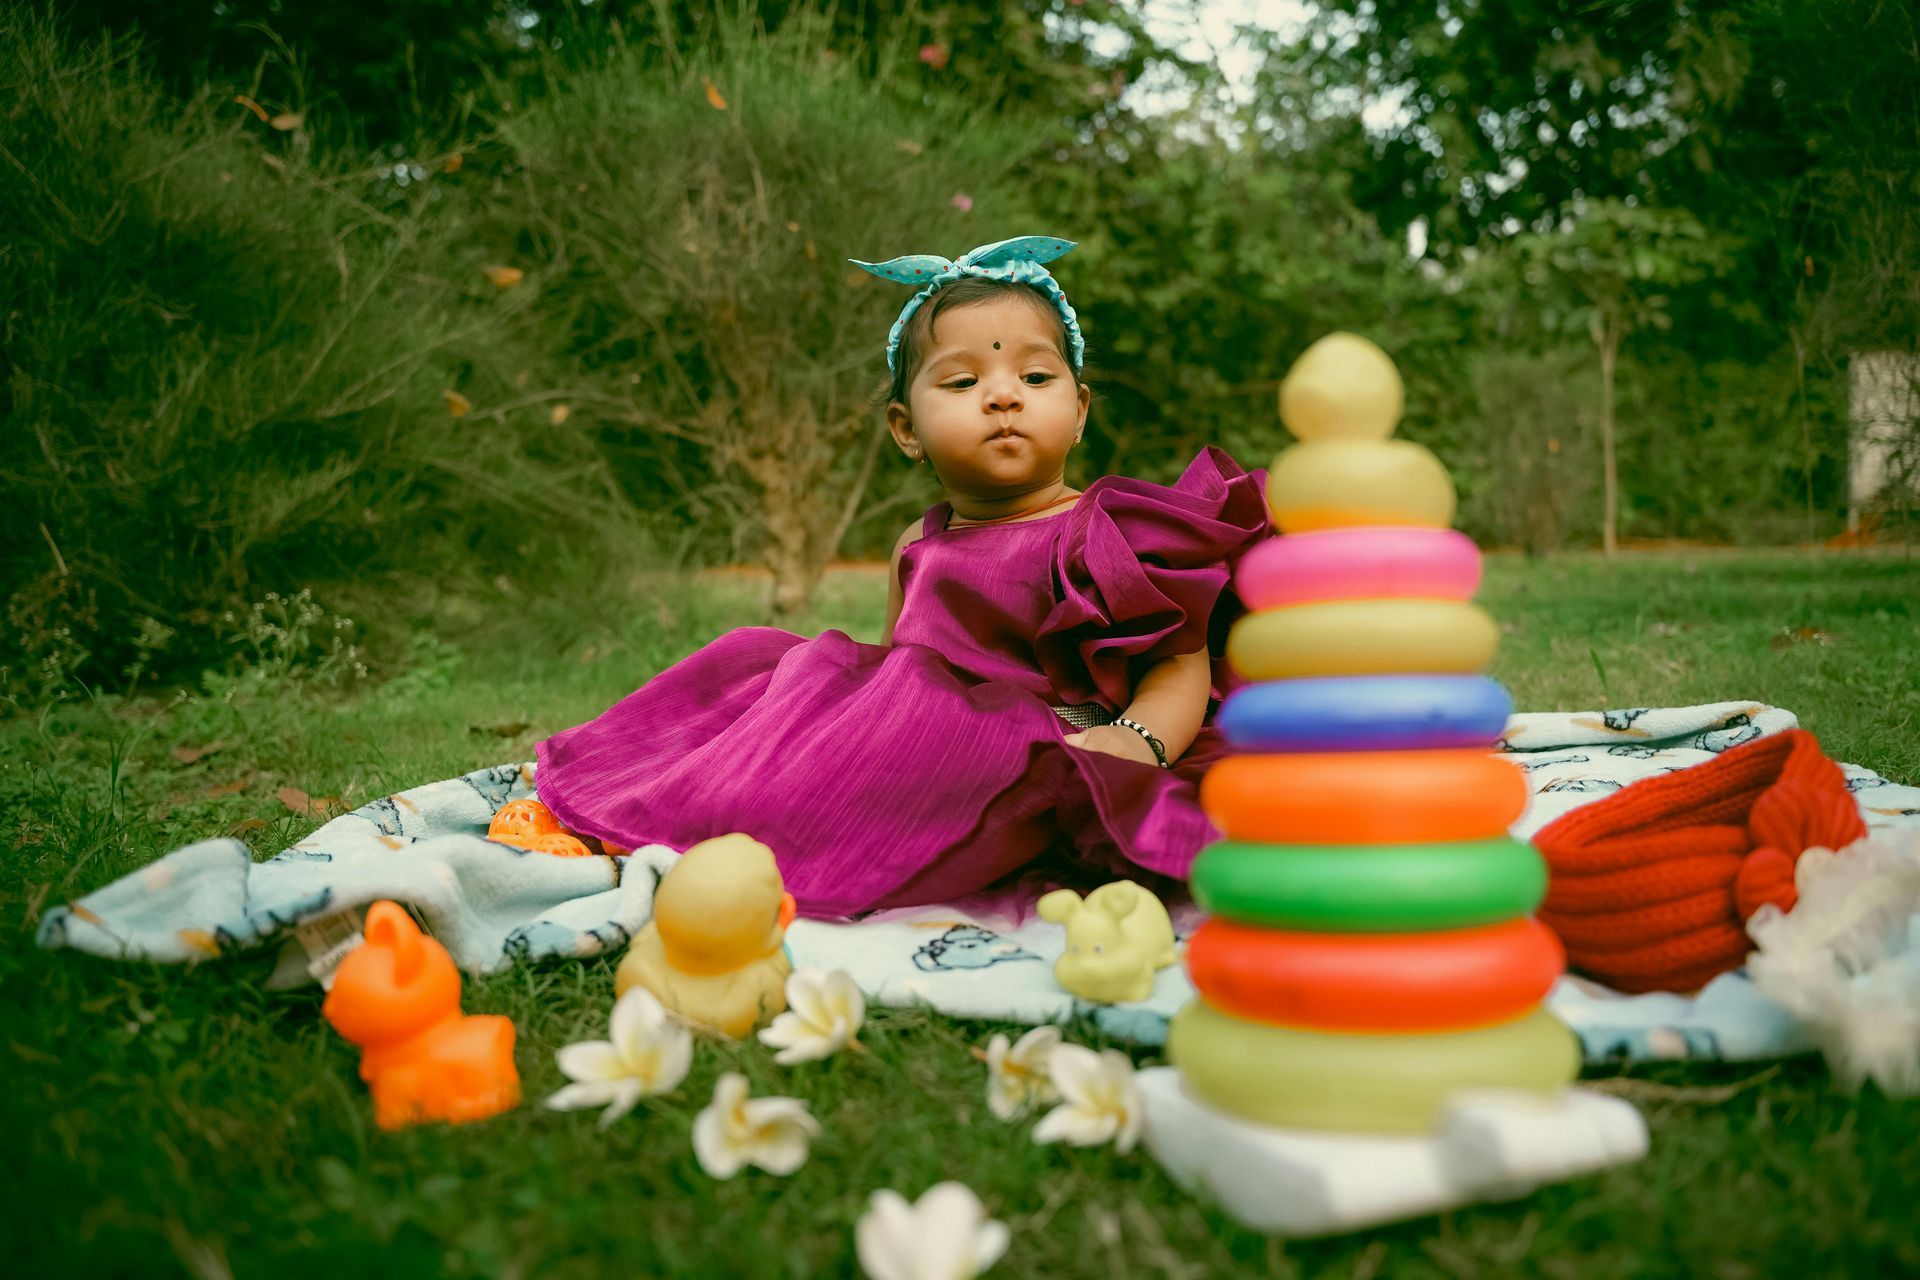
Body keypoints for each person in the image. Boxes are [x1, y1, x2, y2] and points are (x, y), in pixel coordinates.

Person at [534, 236, 1269, 916]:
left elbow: (1178, 661)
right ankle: (710, 807)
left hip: (1055, 753)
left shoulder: (1109, 532)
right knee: (767, 667)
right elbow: (897, 670)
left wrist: (1136, 743)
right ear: (906, 429)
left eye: (1036, 376)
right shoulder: (916, 542)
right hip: (933, 755)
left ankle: (800, 829)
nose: (1004, 396)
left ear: (1077, 413)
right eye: (961, 381)